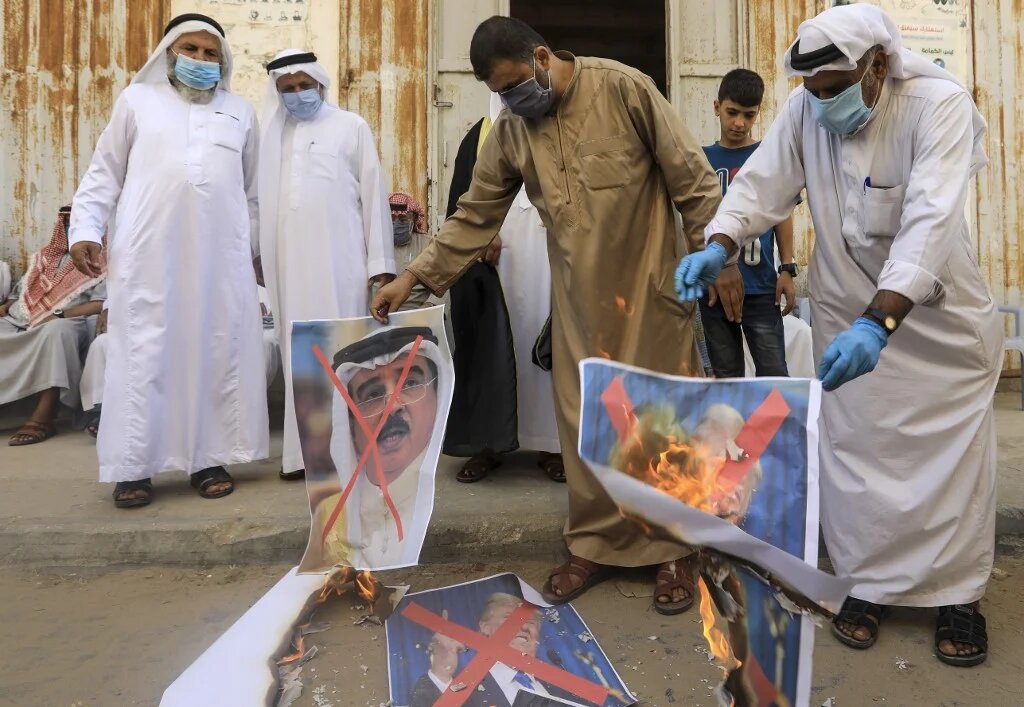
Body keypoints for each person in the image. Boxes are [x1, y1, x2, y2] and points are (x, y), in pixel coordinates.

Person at [674, 4, 1000, 666]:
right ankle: (868, 584)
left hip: (935, 321)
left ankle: (957, 595)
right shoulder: (807, 110)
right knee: (856, 452)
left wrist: (879, 323)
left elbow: (930, 221)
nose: (822, 104)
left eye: (834, 90)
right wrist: (720, 242)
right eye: (812, 91)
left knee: (951, 462)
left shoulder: (936, 106)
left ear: (877, 65)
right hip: (846, 307)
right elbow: (760, 186)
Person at [371, 17, 722, 612]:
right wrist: (411, 278)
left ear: (541, 57)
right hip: (579, 309)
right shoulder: (512, 129)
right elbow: (474, 214)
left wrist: (718, 255)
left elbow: (692, 179)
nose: (511, 101)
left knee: (661, 423)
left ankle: (673, 551)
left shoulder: (623, 88)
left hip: (654, 297)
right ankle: (595, 544)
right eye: (500, 93)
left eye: (514, 86)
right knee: (587, 426)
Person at [69, 13, 268, 509]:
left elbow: (254, 193)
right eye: (191, 50)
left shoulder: (239, 112)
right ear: (168, 55)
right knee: (143, 354)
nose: (201, 59)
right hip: (148, 255)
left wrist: (246, 250)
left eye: (210, 53)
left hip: (219, 262)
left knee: (214, 351)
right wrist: (86, 231)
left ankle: (209, 459)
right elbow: (104, 173)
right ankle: (134, 467)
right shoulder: (137, 101)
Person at [258, 49, 396, 482]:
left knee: (345, 352)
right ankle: (303, 456)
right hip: (287, 265)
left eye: (305, 85)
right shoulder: (270, 138)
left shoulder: (350, 127)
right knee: (299, 353)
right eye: (288, 88)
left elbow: (373, 195)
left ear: (320, 83)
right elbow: (257, 203)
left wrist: (381, 265)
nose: (298, 93)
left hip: (342, 262)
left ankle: (349, 450)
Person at [443, 93, 562, 484]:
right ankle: (487, 445)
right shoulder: (478, 136)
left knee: (549, 345)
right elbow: (460, 206)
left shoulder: (558, 128)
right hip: (495, 261)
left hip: (549, 254)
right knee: (490, 345)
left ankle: (553, 444)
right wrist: (480, 235)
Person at [303, 326, 453, 571]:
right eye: (373, 394)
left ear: (438, 397)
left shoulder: (449, 504)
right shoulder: (330, 514)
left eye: (409, 384)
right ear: (350, 424)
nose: (392, 407)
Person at [699, 69, 796, 379]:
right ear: (717, 107)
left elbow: (783, 214)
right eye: (732, 112)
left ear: (758, 113)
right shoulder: (701, 160)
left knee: (774, 375)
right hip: (714, 289)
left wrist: (787, 268)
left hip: (761, 288)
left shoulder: (766, 156)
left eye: (748, 115)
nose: (739, 123)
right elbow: (694, 220)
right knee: (726, 379)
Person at [1, 207, 106, 445]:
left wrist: (59, 314)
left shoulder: (103, 261)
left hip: (68, 319)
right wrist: (7, 305)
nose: (72, 230)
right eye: (68, 225)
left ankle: (44, 417)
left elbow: (100, 304)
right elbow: (21, 293)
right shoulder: (43, 257)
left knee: (56, 333)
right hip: (22, 318)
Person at [410, 592, 597, 707]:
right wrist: (441, 671)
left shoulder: (563, 685)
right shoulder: (461, 685)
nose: (524, 626)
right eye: (510, 618)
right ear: (485, 627)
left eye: (532, 622)